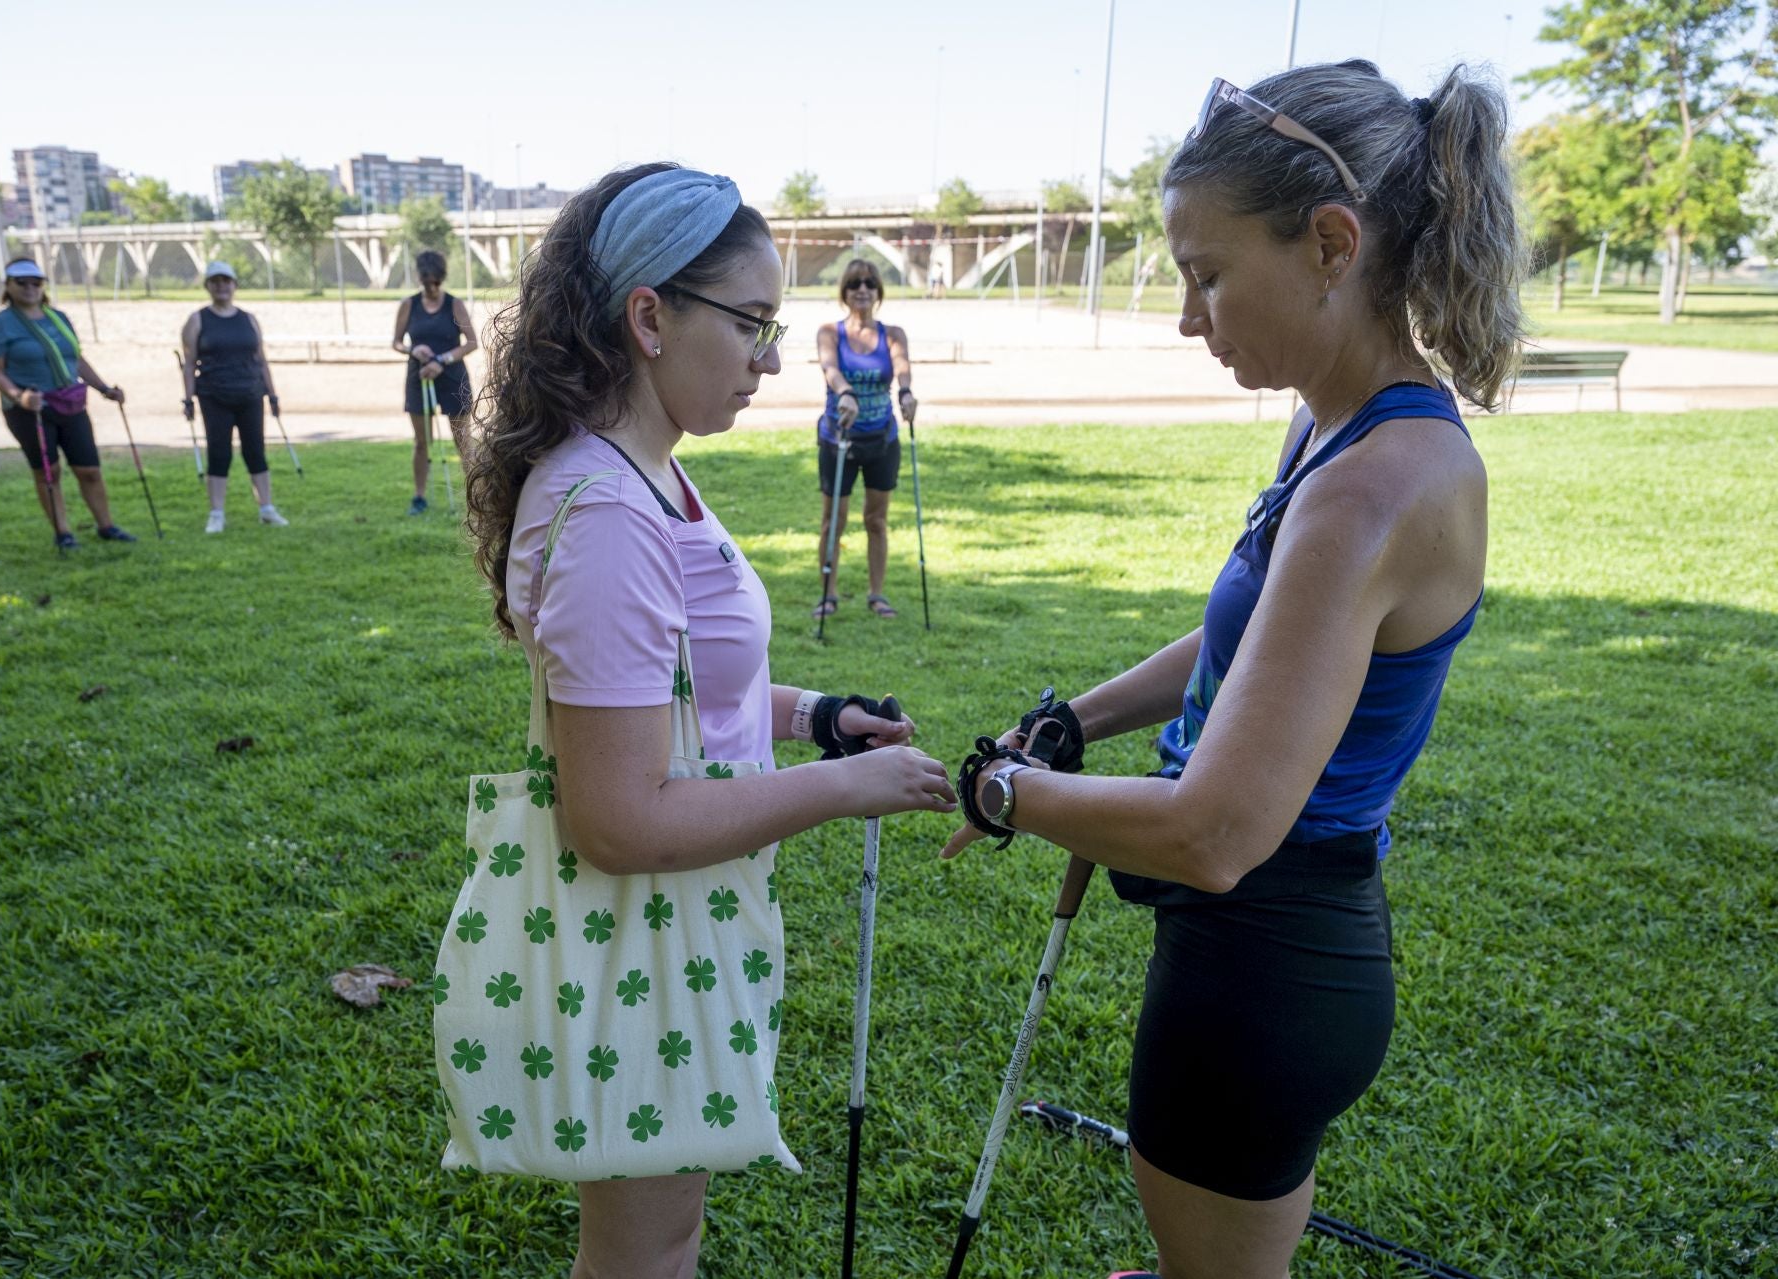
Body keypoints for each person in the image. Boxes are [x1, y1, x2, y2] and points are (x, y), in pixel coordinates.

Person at [938, 61, 1523, 1279]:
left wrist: (998, 794)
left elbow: (1212, 832)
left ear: (1330, 243)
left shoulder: (1373, 484)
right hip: (1271, 957)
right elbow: (1247, 643)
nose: (1188, 319)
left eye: (1208, 276)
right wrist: (1074, 722)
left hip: (1261, 970)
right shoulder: (1335, 425)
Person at [460, 162, 958, 1279]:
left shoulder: (646, 476)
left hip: (680, 920)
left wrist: (816, 716)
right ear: (649, 317)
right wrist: (845, 789)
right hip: (637, 925)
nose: (772, 358)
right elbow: (619, 816)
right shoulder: (608, 514)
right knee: (644, 1244)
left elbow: (683, 698)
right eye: (750, 323)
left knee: (663, 1228)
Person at [0, 257, 135, 550]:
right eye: (21, 283)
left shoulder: (58, 318)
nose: (29, 288)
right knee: (48, 471)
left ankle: (107, 525)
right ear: (8, 286)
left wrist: (103, 388)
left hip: (69, 403)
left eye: (36, 282)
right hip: (31, 409)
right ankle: (63, 532)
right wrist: (18, 395)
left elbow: (75, 360)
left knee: (89, 468)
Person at [812, 259, 916, 620]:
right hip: (838, 438)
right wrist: (845, 393)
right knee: (833, 520)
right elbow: (830, 368)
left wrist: (905, 393)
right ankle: (829, 594)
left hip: (881, 438)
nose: (862, 289)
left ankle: (877, 594)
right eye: (855, 283)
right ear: (845, 290)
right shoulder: (830, 332)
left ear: (878, 292)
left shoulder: (893, 334)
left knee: (876, 520)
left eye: (870, 283)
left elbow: (901, 366)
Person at [180, 261, 287, 534]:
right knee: (219, 451)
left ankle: (266, 508)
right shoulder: (197, 320)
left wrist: (272, 394)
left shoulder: (248, 319)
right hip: (214, 396)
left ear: (234, 285)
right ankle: (216, 513)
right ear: (207, 286)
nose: (221, 287)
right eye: (215, 282)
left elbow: (261, 359)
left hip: (250, 393)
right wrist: (189, 398)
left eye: (226, 281)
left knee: (255, 450)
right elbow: (189, 361)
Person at [392, 249, 475, 515]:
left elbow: (471, 342)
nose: (431, 288)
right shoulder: (409, 305)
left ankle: (477, 498)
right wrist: (411, 350)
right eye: (427, 283)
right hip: (419, 376)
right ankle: (419, 497)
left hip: (451, 376)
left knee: (463, 440)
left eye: (436, 283)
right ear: (419, 278)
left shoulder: (454, 304)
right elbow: (396, 342)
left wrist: (442, 359)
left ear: (442, 278)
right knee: (421, 441)